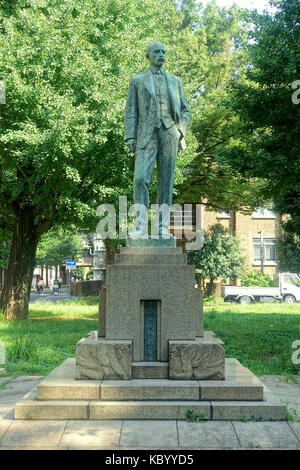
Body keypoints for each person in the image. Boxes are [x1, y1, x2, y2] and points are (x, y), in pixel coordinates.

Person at [124, 41, 191, 237]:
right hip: (146, 134)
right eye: (156, 52)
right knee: (139, 179)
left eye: (163, 52)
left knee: (166, 181)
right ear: (148, 56)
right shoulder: (137, 80)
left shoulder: (175, 81)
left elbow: (186, 110)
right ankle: (140, 227)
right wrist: (130, 136)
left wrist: (180, 131)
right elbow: (131, 111)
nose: (161, 55)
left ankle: (162, 227)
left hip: (169, 133)